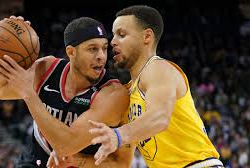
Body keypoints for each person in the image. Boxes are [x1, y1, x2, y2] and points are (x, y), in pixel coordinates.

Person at [88, 5, 224, 168]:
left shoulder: (158, 69)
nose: (113, 41)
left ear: (147, 36)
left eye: (121, 34)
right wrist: (71, 158)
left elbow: (159, 117)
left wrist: (118, 135)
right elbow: (120, 164)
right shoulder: (128, 93)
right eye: (114, 35)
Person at [0, 16, 135, 167]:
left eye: (105, 48)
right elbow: (2, 90)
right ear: (71, 52)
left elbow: (65, 147)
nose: (101, 56)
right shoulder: (47, 68)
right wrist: (11, 46)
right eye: (92, 49)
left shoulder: (112, 94)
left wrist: (30, 95)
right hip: (33, 162)